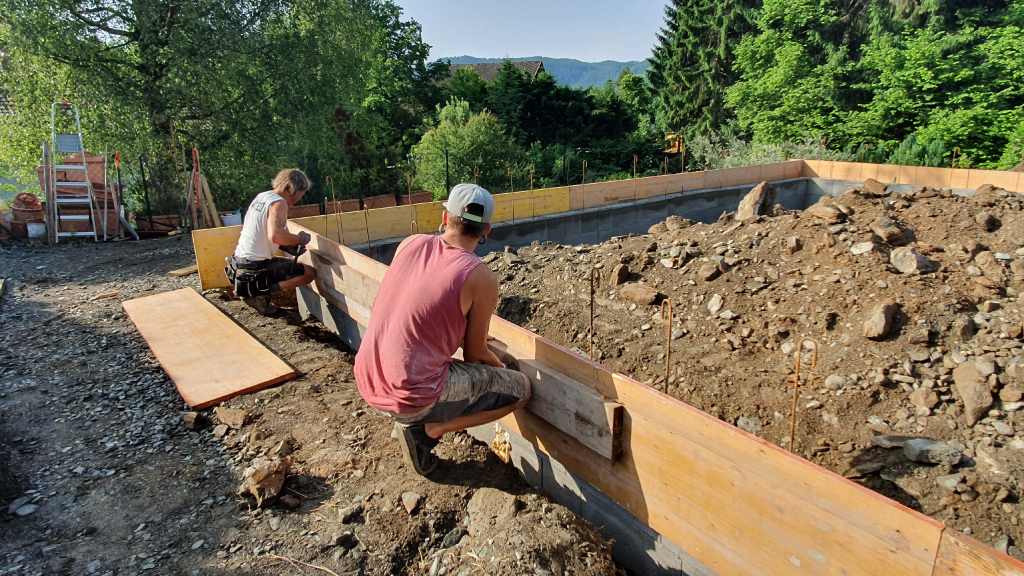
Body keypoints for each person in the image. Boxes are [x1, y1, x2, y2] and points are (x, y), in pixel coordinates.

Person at [354, 183, 531, 476]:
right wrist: (502, 368)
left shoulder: (410, 244)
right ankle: (431, 428)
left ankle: (419, 417)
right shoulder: (480, 277)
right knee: (522, 391)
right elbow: (475, 354)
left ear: (445, 217)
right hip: (409, 395)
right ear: (486, 231)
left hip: (368, 377)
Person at [227, 168, 317, 315]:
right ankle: (260, 292)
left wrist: (289, 246)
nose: (301, 197)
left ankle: (255, 290)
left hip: (240, 263)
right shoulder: (279, 204)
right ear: (293, 189)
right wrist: (300, 239)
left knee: (296, 269)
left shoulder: (263, 197)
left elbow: (263, 232)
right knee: (308, 273)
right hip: (256, 267)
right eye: (302, 192)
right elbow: (275, 235)